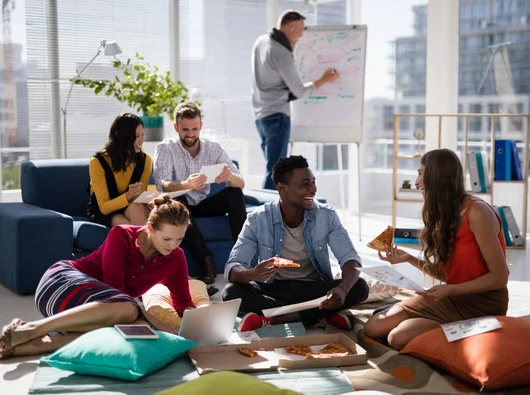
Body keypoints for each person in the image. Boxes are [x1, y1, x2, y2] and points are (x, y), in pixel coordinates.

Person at [0, 195, 198, 360]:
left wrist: (197, 320)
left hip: (94, 311)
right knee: (130, 311)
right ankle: (33, 328)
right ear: (150, 228)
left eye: (179, 239)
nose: (172, 245)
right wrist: (158, 322)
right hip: (61, 283)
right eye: (166, 238)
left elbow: (183, 302)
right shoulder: (122, 235)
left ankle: (39, 345)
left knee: (141, 330)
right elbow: (116, 290)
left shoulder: (176, 258)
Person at [364, 149, 509, 350]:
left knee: (398, 338)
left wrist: (450, 289)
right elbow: (448, 275)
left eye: (420, 173)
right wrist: (409, 258)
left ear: (437, 177)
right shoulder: (445, 213)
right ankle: (447, 329)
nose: (416, 182)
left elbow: (499, 277)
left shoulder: (477, 212)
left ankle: (468, 331)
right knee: (373, 327)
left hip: (482, 304)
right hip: (451, 298)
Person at [222, 156, 369, 332]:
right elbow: (233, 267)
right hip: (274, 289)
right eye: (305, 184)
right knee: (230, 293)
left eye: (314, 183)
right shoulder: (258, 219)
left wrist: (343, 290)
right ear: (282, 189)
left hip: (313, 289)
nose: (313, 189)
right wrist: (253, 273)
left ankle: (273, 319)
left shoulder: (326, 215)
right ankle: (318, 315)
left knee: (359, 287)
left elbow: (350, 259)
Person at [153, 102, 247, 287]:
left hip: (204, 204)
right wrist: (186, 184)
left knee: (234, 193)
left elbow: (241, 182)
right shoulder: (165, 148)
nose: (190, 134)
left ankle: (242, 258)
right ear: (176, 127)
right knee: (177, 200)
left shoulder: (214, 149)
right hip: (181, 207)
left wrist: (230, 177)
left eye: (195, 129)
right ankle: (206, 261)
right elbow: (161, 184)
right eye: (185, 129)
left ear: (200, 126)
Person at [252, 10, 340, 189]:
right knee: (277, 173)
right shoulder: (281, 52)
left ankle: (269, 212)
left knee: (272, 168)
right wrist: (323, 79)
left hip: (260, 117)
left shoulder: (260, 42)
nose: (301, 34)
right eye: (300, 29)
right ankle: (268, 215)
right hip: (277, 115)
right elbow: (299, 91)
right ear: (291, 25)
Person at [87, 113, 151, 227]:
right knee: (135, 228)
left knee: (137, 208)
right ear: (123, 137)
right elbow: (104, 208)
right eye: (136, 136)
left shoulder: (145, 161)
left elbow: (139, 200)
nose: (141, 141)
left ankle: (141, 243)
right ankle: (145, 243)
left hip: (132, 208)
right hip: (104, 212)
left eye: (142, 135)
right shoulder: (98, 162)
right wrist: (127, 196)